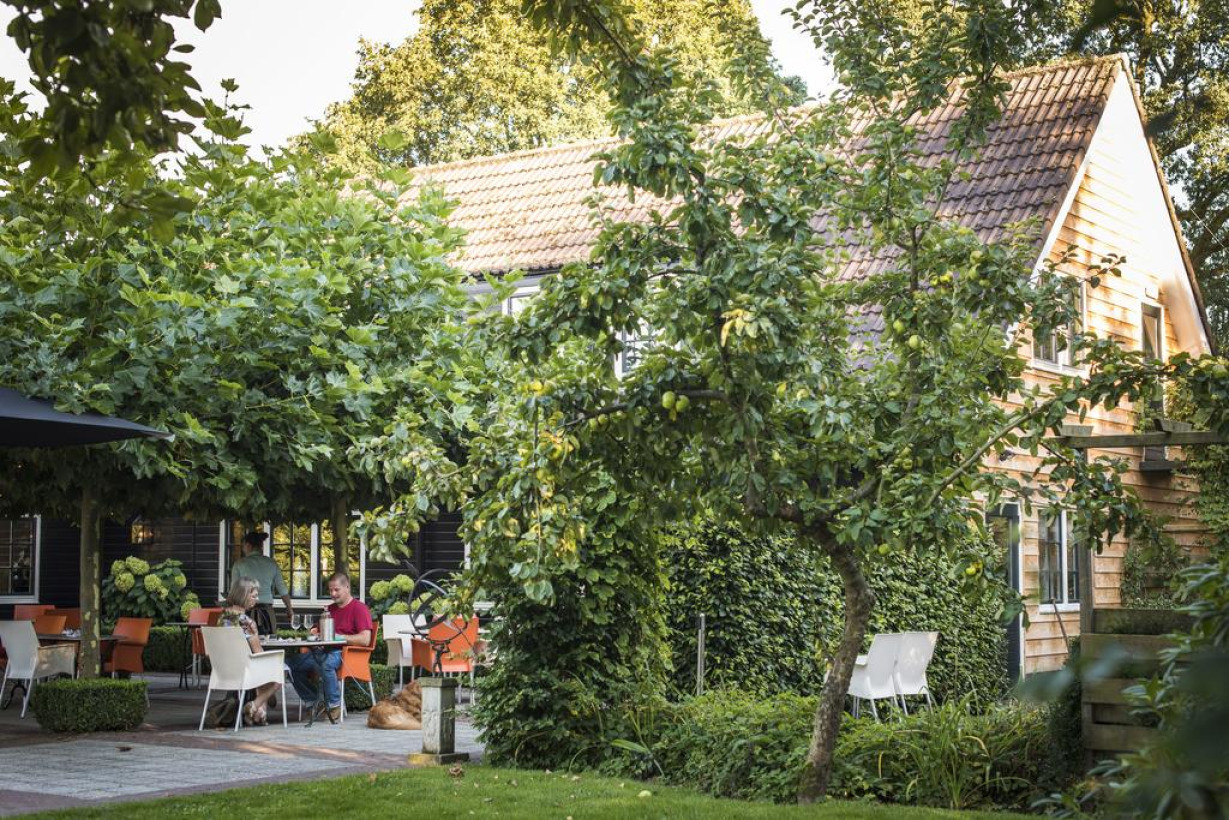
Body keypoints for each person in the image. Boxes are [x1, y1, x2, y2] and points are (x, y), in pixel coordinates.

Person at [285, 572, 373, 724]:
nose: (332, 594)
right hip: (322, 651)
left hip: (343, 653)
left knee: (327, 663)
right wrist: (314, 632)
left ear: (347, 587)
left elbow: (365, 639)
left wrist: (339, 637)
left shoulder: (360, 608)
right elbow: (318, 631)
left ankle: (334, 705)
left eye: (336, 590)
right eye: (330, 590)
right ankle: (314, 702)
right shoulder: (329, 610)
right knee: (290, 664)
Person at [218, 576, 283, 726]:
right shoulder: (246, 622)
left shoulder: (222, 618)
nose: (257, 599)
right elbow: (258, 652)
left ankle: (258, 714)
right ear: (244, 596)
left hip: (223, 670)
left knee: (263, 674)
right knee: (280, 673)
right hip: (244, 672)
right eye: (254, 596)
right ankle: (255, 705)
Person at [230, 531, 294, 635]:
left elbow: (234, 591)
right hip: (267, 613)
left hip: (246, 613)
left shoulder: (239, 564)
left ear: (248, 545)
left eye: (243, 546)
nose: (243, 549)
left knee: (247, 642)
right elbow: (282, 590)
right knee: (268, 641)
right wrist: (289, 609)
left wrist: (229, 611)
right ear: (261, 546)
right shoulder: (271, 563)